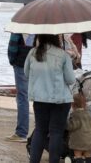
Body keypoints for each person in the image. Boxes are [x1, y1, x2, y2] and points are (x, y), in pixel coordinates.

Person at [26, 34, 75, 163]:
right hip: (60, 99)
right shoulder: (63, 55)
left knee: (40, 130)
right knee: (56, 133)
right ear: (56, 38)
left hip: (39, 98)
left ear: (40, 37)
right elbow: (70, 80)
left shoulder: (32, 53)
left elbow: (26, 73)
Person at [5, 32, 34, 142]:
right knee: (39, 97)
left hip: (21, 62)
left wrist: (12, 60)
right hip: (38, 63)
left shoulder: (19, 24)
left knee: (22, 97)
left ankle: (22, 132)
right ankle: (40, 132)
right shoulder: (41, 23)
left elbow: (12, 46)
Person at [67, 93, 91, 163]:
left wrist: (66, 123)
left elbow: (72, 126)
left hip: (78, 141)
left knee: (78, 155)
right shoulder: (89, 115)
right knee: (88, 155)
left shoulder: (75, 115)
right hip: (89, 140)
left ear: (72, 105)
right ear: (85, 104)